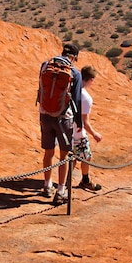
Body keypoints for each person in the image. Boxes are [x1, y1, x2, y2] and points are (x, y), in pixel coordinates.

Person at [38, 43, 83, 205]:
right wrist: (79, 124)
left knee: (48, 153)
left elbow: (41, 89)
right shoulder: (75, 73)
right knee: (64, 156)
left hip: (45, 115)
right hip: (64, 119)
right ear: (75, 57)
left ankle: (46, 185)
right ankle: (60, 190)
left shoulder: (45, 66)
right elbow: (77, 100)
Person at [73, 65, 104, 191]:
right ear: (90, 79)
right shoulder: (86, 97)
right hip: (78, 133)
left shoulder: (72, 89)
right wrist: (94, 134)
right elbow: (84, 121)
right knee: (86, 156)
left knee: (73, 157)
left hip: (67, 130)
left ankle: (64, 184)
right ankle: (85, 180)